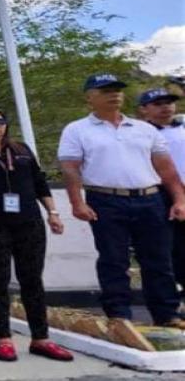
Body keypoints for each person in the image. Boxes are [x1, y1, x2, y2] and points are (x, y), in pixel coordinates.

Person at [58, 74, 185, 330]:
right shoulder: (77, 129)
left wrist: (179, 198)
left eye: (117, 90)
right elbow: (70, 168)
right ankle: (119, 314)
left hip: (149, 198)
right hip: (105, 199)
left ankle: (166, 313)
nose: (113, 94)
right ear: (90, 97)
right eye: (105, 90)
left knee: (158, 260)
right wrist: (77, 202)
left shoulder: (143, 129)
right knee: (113, 260)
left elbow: (166, 167)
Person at [0, 108, 74, 362]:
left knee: (32, 280)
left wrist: (53, 213)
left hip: (28, 222)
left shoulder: (21, 150)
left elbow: (39, 182)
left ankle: (40, 338)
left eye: (0, 121)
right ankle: (4, 338)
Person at [137, 88, 185, 312]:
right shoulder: (140, 132)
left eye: (168, 102)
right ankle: (168, 306)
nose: (165, 107)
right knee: (169, 249)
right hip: (162, 193)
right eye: (158, 104)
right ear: (144, 109)